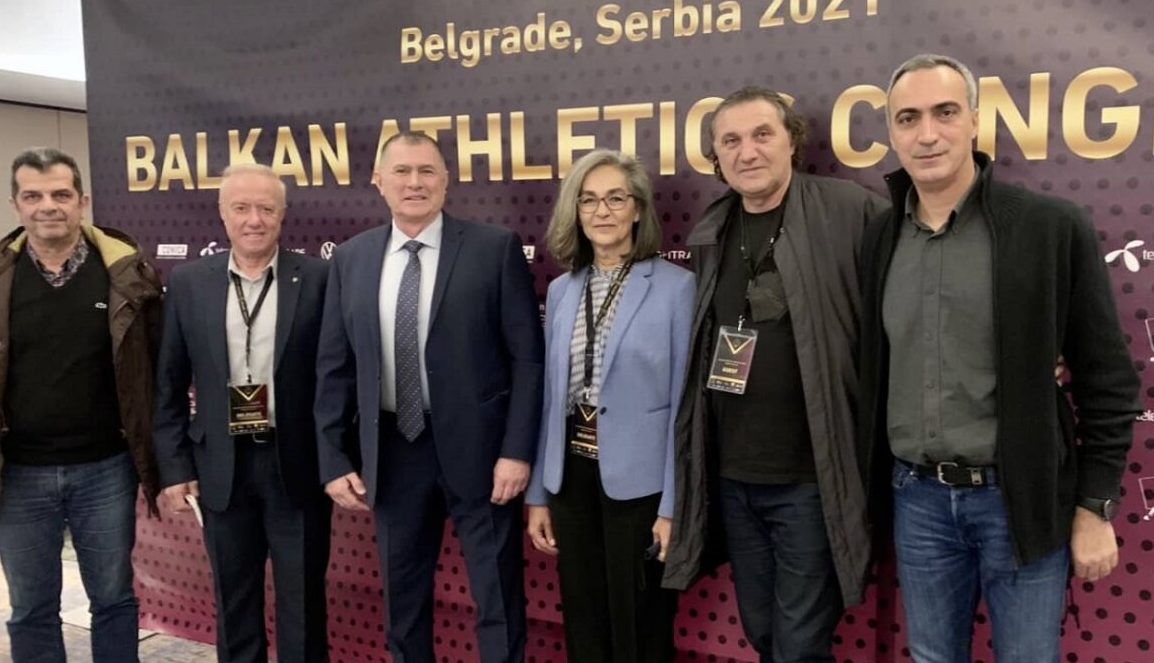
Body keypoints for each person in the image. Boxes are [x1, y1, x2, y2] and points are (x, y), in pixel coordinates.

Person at [857, 53, 1140, 662]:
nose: (927, 134)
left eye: (945, 112)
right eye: (908, 118)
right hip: (916, 499)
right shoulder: (879, 237)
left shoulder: (1048, 227)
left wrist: (1095, 506)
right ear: (892, 134)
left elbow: (1108, 381)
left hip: (1018, 499)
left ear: (975, 121)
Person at [663, 87, 887, 661]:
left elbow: (912, 298)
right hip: (735, 479)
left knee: (799, 644)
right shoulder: (713, 230)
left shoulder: (849, 210)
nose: (748, 152)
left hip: (810, 480)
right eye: (731, 141)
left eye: (762, 134)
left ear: (792, 140)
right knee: (762, 631)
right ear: (716, 156)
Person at [314, 132, 543, 663]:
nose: (414, 182)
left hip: (483, 453)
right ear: (379, 181)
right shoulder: (351, 258)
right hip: (394, 450)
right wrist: (332, 457)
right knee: (404, 599)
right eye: (401, 171)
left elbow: (527, 360)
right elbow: (334, 367)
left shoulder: (494, 248)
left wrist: (516, 451)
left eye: (426, 171)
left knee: (497, 596)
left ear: (446, 180)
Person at [0, 147, 162, 663]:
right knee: (31, 608)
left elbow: (155, 369)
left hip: (105, 470)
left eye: (60, 194)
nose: (47, 206)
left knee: (114, 600)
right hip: (16, 474)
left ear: (83, 200)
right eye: (33, 196)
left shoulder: (127, 274)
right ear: (15, 205)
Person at [154, 163, 332, 663]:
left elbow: (338, 377)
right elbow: (168, 383)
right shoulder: (189, 282)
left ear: (282, 214)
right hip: (220, 466)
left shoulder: (318, 278)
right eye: (241, 208)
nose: (254, 219)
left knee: (303, 602)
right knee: (234, 602)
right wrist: (175, 468)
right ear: (222, 214)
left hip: (297, 465)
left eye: (266, 209)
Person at [525, 149, 694, 662]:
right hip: (571, 479)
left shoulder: (676, 287)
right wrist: (539, 494)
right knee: (584, 620)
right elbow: (550, 399)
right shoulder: (562, 289)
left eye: (616, 199)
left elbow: (685, 406)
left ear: (637, 209)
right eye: (589, 200)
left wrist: (672, 507)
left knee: (641, 624)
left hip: (641, 486)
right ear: (575, 211)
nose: (602, 211)